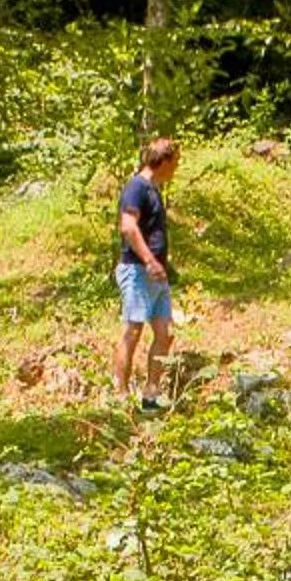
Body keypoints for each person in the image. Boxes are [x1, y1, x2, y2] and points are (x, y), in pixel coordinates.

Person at [114, 136, 179, 411]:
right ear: (163, 161)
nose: (176, 169)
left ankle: (150, 395)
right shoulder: (136, 188)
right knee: (133, 330)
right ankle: (118, 395)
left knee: (165, 333)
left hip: (156, 275)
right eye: (175, 163)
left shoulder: (154, 189)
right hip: (138, 271)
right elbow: (128, 227)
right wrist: (150, 261)